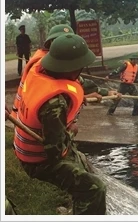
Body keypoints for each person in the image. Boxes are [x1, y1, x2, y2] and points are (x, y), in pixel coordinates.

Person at [13, 33, 107, 215]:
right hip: (39, 162)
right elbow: (54, 152)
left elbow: (79, 83)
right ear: (71, 68)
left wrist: (93, 94)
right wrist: (72, 130)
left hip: (23, 148)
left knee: (81, 162)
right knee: (95, 189)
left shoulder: (39, 70)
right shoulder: (54, 104)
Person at [12, 24, 119, 119]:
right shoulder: (43, 65)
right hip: (32, 118)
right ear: (51, 43)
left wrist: (107, 92)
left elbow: (78, 81)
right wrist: (81, 98)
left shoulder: (58, 62)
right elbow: (46, 96)